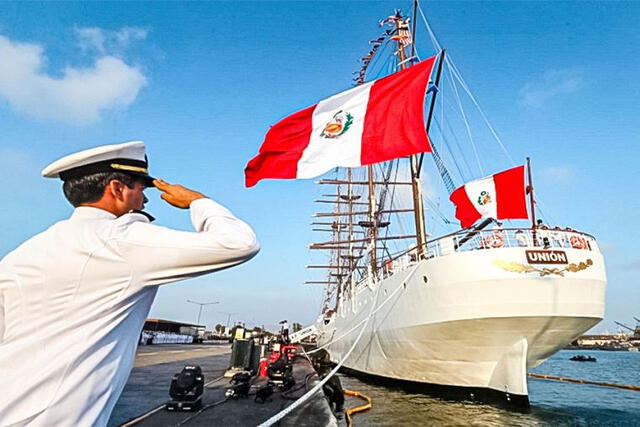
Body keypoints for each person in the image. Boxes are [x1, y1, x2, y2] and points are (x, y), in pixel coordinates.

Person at [0, 141, 259, 426]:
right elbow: (239, 243)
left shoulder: (25, 253)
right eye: (142, 189)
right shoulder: (120, 240)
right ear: (117, 188)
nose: (145, 200)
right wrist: (199, 201)